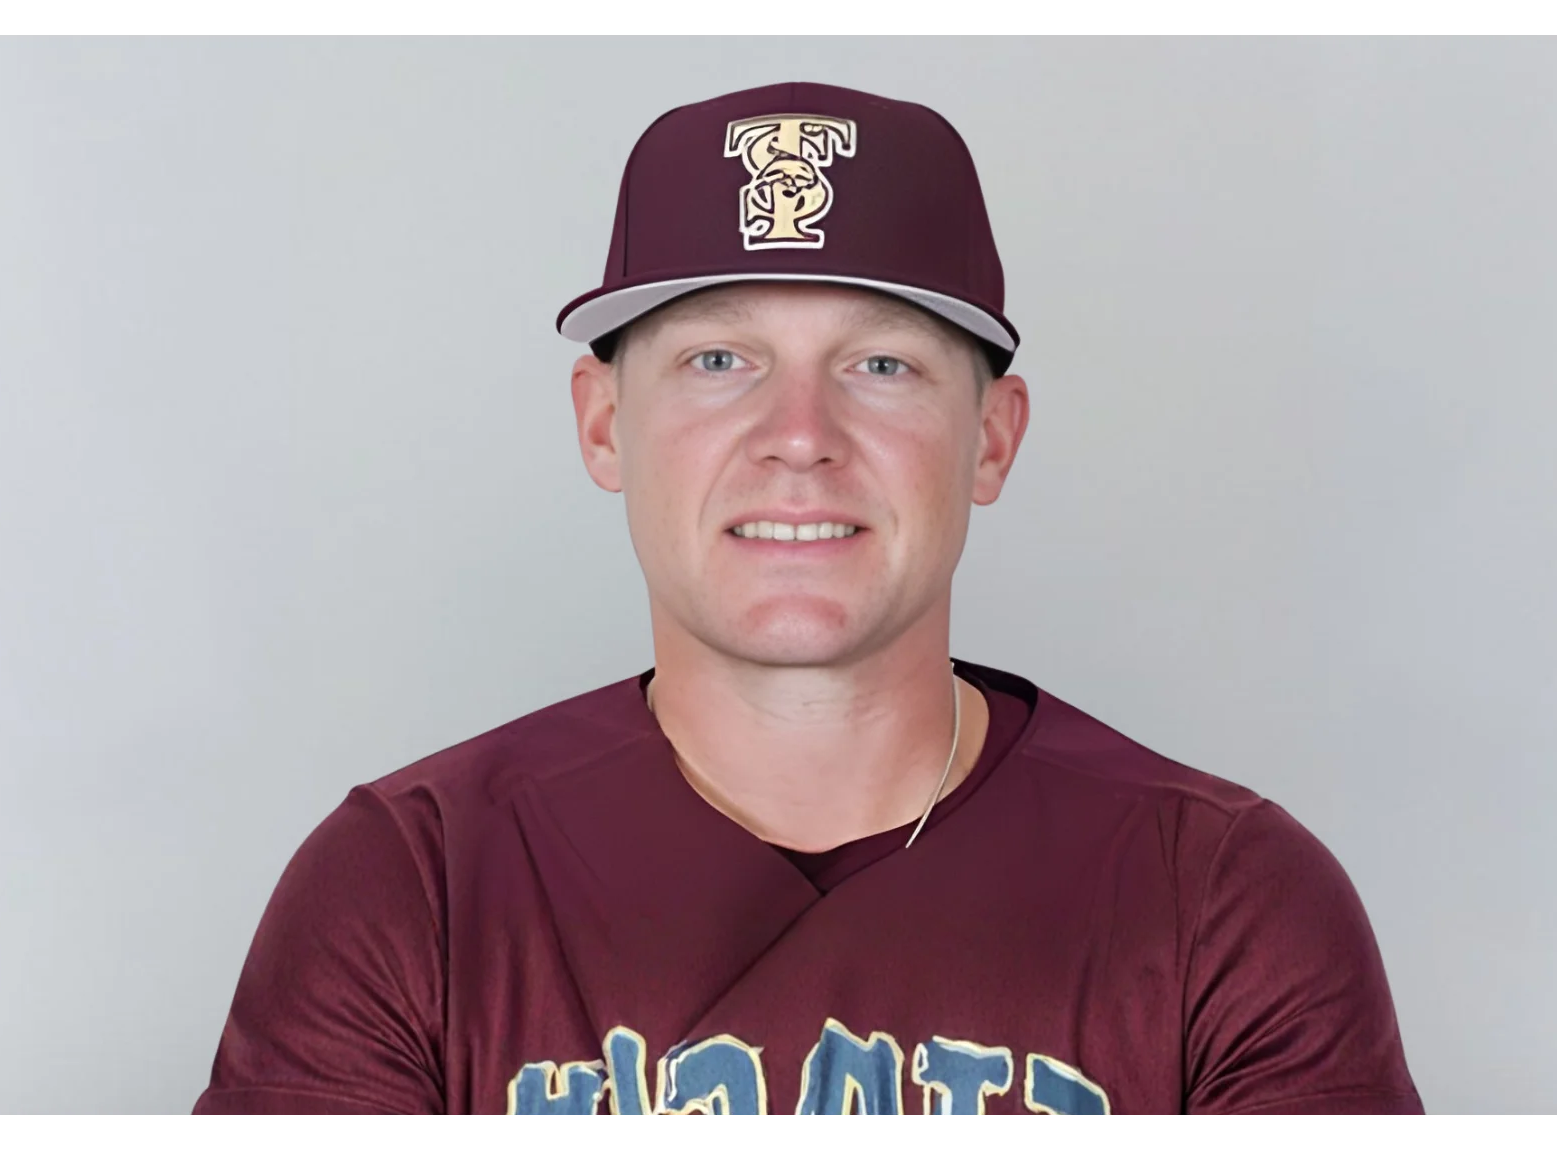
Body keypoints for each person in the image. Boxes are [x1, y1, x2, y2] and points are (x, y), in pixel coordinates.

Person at [191, 81, 1422, 1119]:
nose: (798, 437)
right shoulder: (414, 886)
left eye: (879, 365)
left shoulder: (1223, 903)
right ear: (605, 423)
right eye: (718, 361)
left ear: (990, 439)